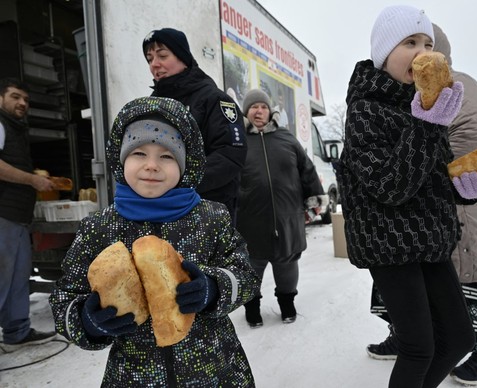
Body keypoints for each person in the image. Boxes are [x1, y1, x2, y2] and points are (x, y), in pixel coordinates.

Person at [336, 6, 477, 387]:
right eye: (410, 42)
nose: (423, 51)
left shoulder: (427, 104)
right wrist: (426, 124)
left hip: (430, 240)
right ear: (383, 54)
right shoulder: (365, 109)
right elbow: (391, 187)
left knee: (460, 335)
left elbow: (431, 179)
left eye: (428, 43)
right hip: (390, 245)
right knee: (418, 346)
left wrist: (465, 188)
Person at [49, 96, 260, 386]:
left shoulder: (211, 218)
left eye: (166, 156)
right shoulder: (98, 228)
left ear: (186, 165)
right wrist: (88, 322)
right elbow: (63, 299)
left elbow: (246, 276)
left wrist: (213, 288)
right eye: (138, 153)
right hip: (133, 376)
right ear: (121, 158)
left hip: (215, 371)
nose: (151, 166)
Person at [236, 89, 327, 327]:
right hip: (250, 219)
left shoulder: (287, 138)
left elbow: (306, 170)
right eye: (254, 107)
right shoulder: (238, 142)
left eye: (263, 107)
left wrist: (315, 199)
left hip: (287, 216)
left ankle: (287, 304)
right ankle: (252, 307)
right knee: (251, 266)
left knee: (287, 264)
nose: (259, 111)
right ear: (246, 112)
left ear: (270, 111)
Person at [142, 27, 247, 224]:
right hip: (159, 209)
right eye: (149, 59)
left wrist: (178, 182)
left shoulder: (215, 100)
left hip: (206, 213)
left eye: (162, 55)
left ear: (183, 56)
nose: (155, 64)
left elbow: (230, 154)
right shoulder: (150, 105)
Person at [0, 77, 56, 351]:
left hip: (18, 216)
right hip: (2, 214)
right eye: (14, 96)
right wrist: (32, 180)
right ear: (1, 98)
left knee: (18, 278)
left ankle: (16, 331)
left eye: (25, 99)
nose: (22, 103)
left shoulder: (15, 129)